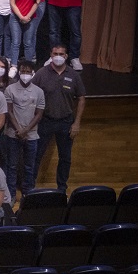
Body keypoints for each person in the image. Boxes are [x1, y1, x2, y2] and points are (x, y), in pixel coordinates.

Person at [32, 45, 86, 193]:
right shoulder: (41, 73)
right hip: (45, 122)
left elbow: (81, 98)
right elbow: (31, 94)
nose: (58, 56)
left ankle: (62, 189)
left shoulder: (73, 75)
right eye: (55, 53)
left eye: (61, 54)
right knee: (36, 155)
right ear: (51, 55)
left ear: (66, 56)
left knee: (65, 158)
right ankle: (30, 187)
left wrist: (77, 123)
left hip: (66, 122)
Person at [3, 61, 45, 200]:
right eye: (23, 71)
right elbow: (9, 111)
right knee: (11, 166)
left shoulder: (39, 92)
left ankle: (28, 193)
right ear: (19, 72)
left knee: (29, 166)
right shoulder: (10, 89)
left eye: (28, 72)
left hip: (32, 135)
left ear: (33, 73)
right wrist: (19, 130)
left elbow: (39, 114)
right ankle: (11, 194)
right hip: (12, 134)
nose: (25, 74)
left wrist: (26, 130)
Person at [8, 0, 42, 66]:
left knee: (28, 43)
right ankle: (13, 65)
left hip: (31, 17)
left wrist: (27, 16)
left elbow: (37, 2)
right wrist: (21, 17)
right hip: (16, 17)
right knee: (15, 43)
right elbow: (13, 4)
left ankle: (28, 67)